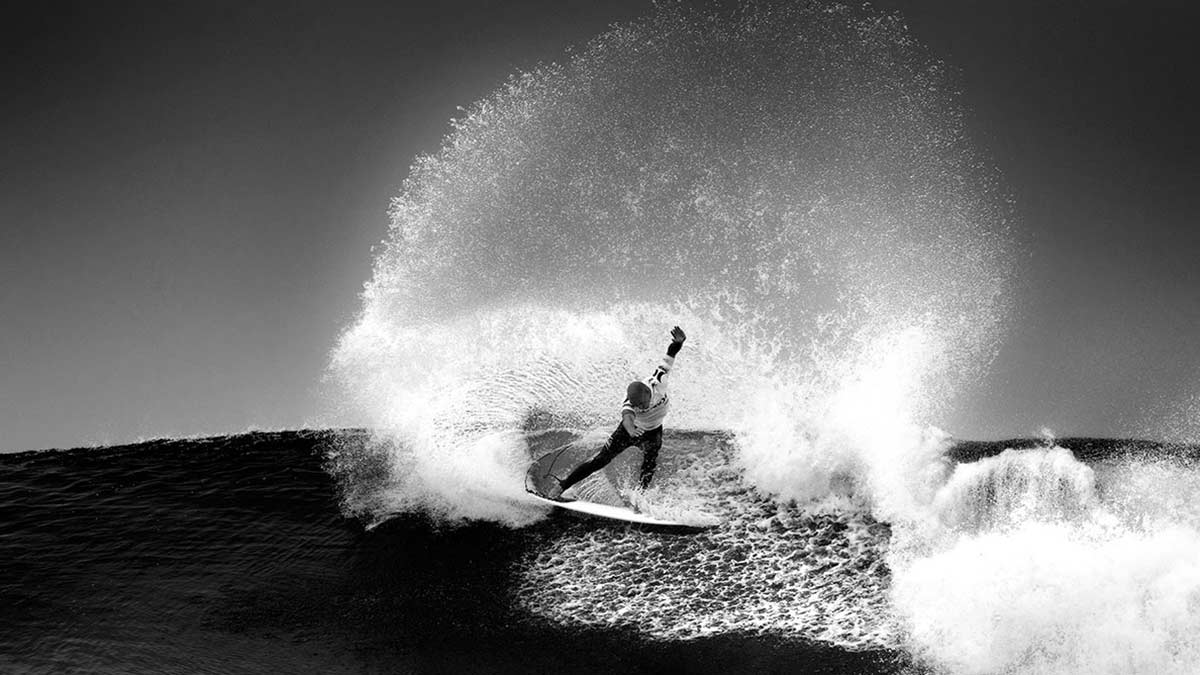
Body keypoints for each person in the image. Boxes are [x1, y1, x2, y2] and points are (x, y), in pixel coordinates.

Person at [545, 326, 686, 500]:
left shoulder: (659, 380)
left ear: (648, 394)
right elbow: (627, 416)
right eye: (637, 406)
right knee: (600, 460)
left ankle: (639, 498)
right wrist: (631, 429)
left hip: (654, 430)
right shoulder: (630, 401)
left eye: (642, 404)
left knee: (649, 464)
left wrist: (678, 343)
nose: (640, 408)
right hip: (630, 430)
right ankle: (561, 487)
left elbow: (669, 357)